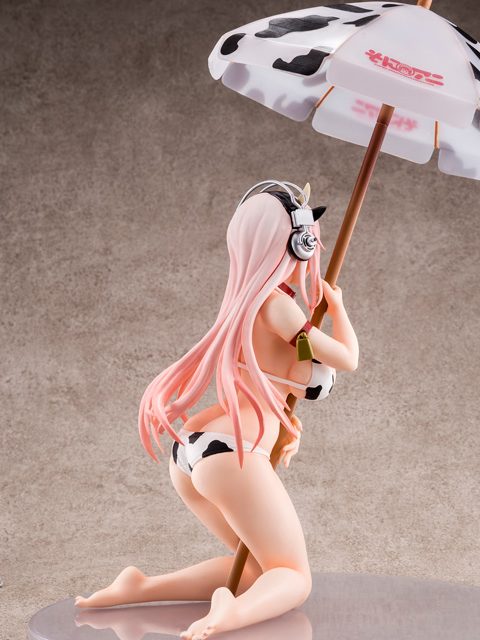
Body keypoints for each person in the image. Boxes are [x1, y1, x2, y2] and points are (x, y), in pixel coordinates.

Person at [75, 180, 359, 640]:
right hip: (232, 453)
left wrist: (287, 425)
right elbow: (347, 359)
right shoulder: (279, 310)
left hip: (197, 450)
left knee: (257, 569)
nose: (311, 251)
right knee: (293, 576)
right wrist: (339, 307)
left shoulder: (247, 303)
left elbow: (270, 380)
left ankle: (139, 587)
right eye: (307, 240)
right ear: (293, 244)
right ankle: (229, 614)